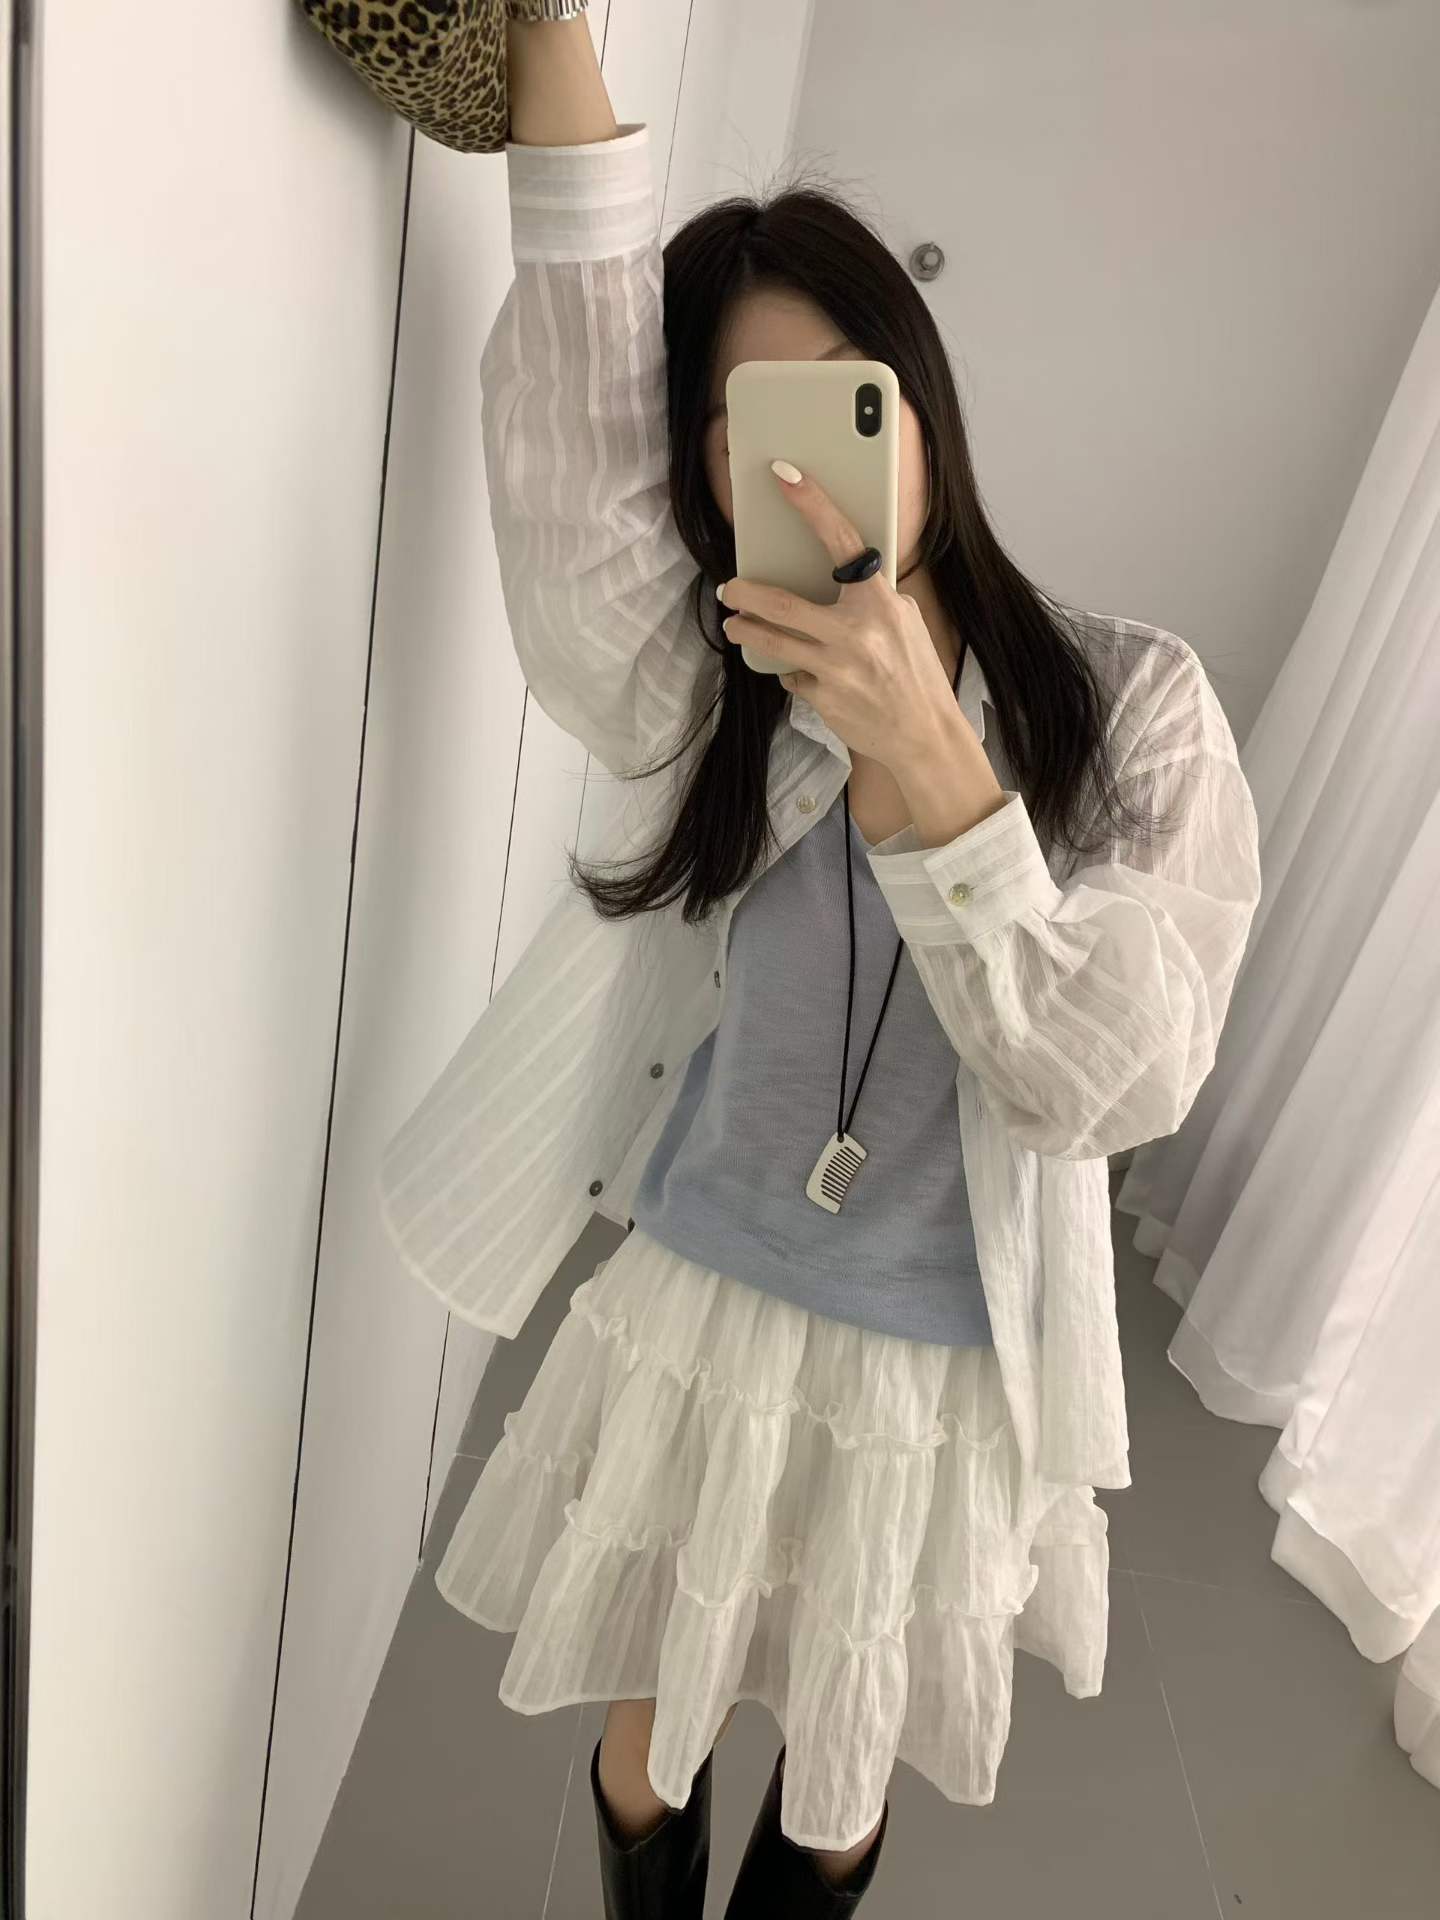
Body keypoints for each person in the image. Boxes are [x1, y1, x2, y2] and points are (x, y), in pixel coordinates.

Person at [378, 10, 1262, 1916]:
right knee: (646, 1730)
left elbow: (1116, 1078)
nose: (795, 465)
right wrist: (548, 38)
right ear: (702, 468)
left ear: (920, 406)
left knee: (838, 1772)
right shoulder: (706, 680)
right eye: (737, 423)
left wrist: (933, 763)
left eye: (843, 403)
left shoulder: (1134, 709)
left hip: (944, 1357)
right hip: (701, 1291)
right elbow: (566, 479)